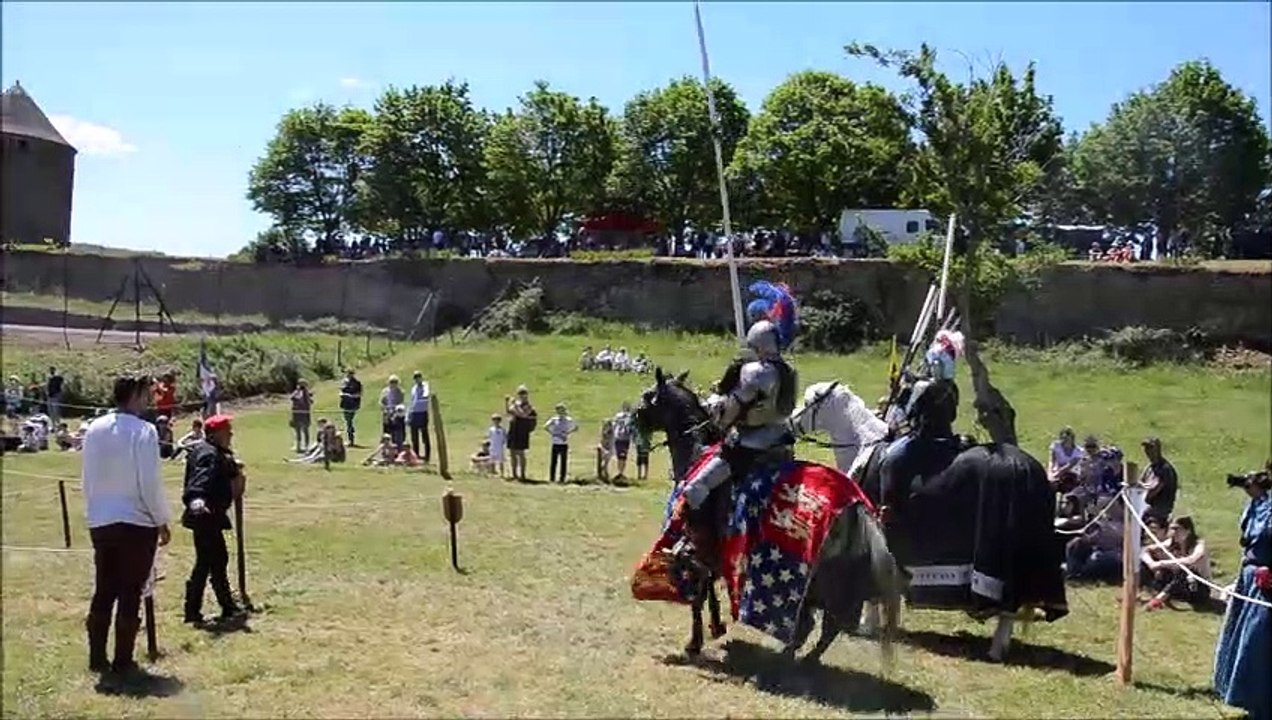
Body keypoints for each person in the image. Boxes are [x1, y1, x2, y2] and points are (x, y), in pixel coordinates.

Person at [679, 281, 800, 560]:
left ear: (756, 344)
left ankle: (700, 548)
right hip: (782, 443)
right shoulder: (789, 370)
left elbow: (732, 410)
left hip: (748, 446)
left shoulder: (755, 372)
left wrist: (715, 411)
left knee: (695, 488)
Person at [81, 375, 172, 675]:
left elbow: (88, 478)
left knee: (104, 588)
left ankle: (97, 657)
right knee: (131, 589)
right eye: (145, 393)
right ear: (134, 394)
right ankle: (122, 660)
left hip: (102, 519)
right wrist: (161, 519)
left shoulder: (94, 429)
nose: (148, 399)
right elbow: (150, 483)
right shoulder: (144, 431)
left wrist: (93, 512)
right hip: (136, 520)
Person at [1213, 466, 1271, 720]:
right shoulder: (1260, 504)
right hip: (1251, 577)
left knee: (1258, 641)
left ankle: (1264, 706)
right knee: (1243, 638)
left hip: (1267, 581)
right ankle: (1246, 698)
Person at [180, 414, 246, 625]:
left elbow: (224, 469)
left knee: (213, 561)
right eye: (227, 431)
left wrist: (234, 467)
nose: (231, 434)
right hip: (205, 515)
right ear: (216, 434)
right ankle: (206, 608)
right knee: (211, 562)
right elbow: (201, 478)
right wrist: (196, 498)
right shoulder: (208, 454)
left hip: (211, 516)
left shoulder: (210, 451)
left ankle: (219, 607)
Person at [1144, 515, 1212, 610]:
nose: (1173, 532)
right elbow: (1146, 550)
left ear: (1188, 531)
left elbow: (1191, 560)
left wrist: (1161, 563)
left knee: (1185, 570)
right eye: (1172, 529)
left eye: (1177, 529)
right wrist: (1151, 563)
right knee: (1153, 565)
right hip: (1181, 586)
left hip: (1198, 589)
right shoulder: (1171, 543)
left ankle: (1158, 599)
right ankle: (1144, 589)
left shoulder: (1198, 545)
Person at [1139, 437, 1179, 522]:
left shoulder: (1165, 469)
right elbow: (1140, 483)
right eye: (1146, 448)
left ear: (1158, 449)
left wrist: (1142, 500)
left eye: (1151, 448)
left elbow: (1155, 488)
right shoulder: (1150, 467)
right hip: (1147, 504)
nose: (1148, 451)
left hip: (1160, 509)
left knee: (1141, 515)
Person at [505, 386, 537, 481]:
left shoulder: (529, 406)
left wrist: (515, 405)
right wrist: (507, 403)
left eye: (524, 394)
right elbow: (509, 411)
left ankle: (522, 474)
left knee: (520, 453)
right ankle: (514, 474)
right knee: (512, 452)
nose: (522, 396)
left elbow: (523, 414)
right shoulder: (516, 404)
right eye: (520, 394)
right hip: (513, 429)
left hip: (522, 431)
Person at [544, 403, 578, 484]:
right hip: (555, 442)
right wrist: (553, 433)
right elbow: (545, 426)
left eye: (562, 410)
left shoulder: (569, 420)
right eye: (558, 410)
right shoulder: (554, 419)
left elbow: (576, 427)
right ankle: (552, 478)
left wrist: (567, 433)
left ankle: (562, 478)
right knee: (553, 461)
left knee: (563, 462)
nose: (560, 412)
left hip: (563, 443)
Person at [407, 371, 431, 463]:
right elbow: (411, 401)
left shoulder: (425, 385)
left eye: (418, 377)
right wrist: (409, 413)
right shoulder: (414, 388)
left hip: (422, 412)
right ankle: (415, 455)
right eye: (415, 378)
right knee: (414, 436)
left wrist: (423, 398)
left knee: (424, 434)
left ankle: (427, 456)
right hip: (414, 412)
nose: (417, 379)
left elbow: (426, 394)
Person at [338, 369, 362, 446]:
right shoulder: (344, 383)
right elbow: (341, 391)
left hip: (353, 405)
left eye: (350, 374)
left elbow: (359, 394)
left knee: (349, 421)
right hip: (345, 404)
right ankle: (350, 438)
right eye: (347, 374)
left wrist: (350, 396)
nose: (348, 375)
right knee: (347, 421)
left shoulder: (357, 383)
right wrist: (342, 394)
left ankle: (351, 439)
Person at [612, 402, 634, 481]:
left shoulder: (618, 416)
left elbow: (613, 425)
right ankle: (621, 472)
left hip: (618, 437)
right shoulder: (630, 417)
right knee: (623, 457)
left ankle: (620, 472)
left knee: (619, 456)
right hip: (625, 439)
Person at [289, 379, 313, 454]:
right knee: (297, 431)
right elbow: (292, 397)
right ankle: (298, 445)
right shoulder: (297, 392)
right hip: (296, 414)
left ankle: (306, 446)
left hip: (304, 414)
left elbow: (308, 402)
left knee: (305, 430)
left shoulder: (306, 393)